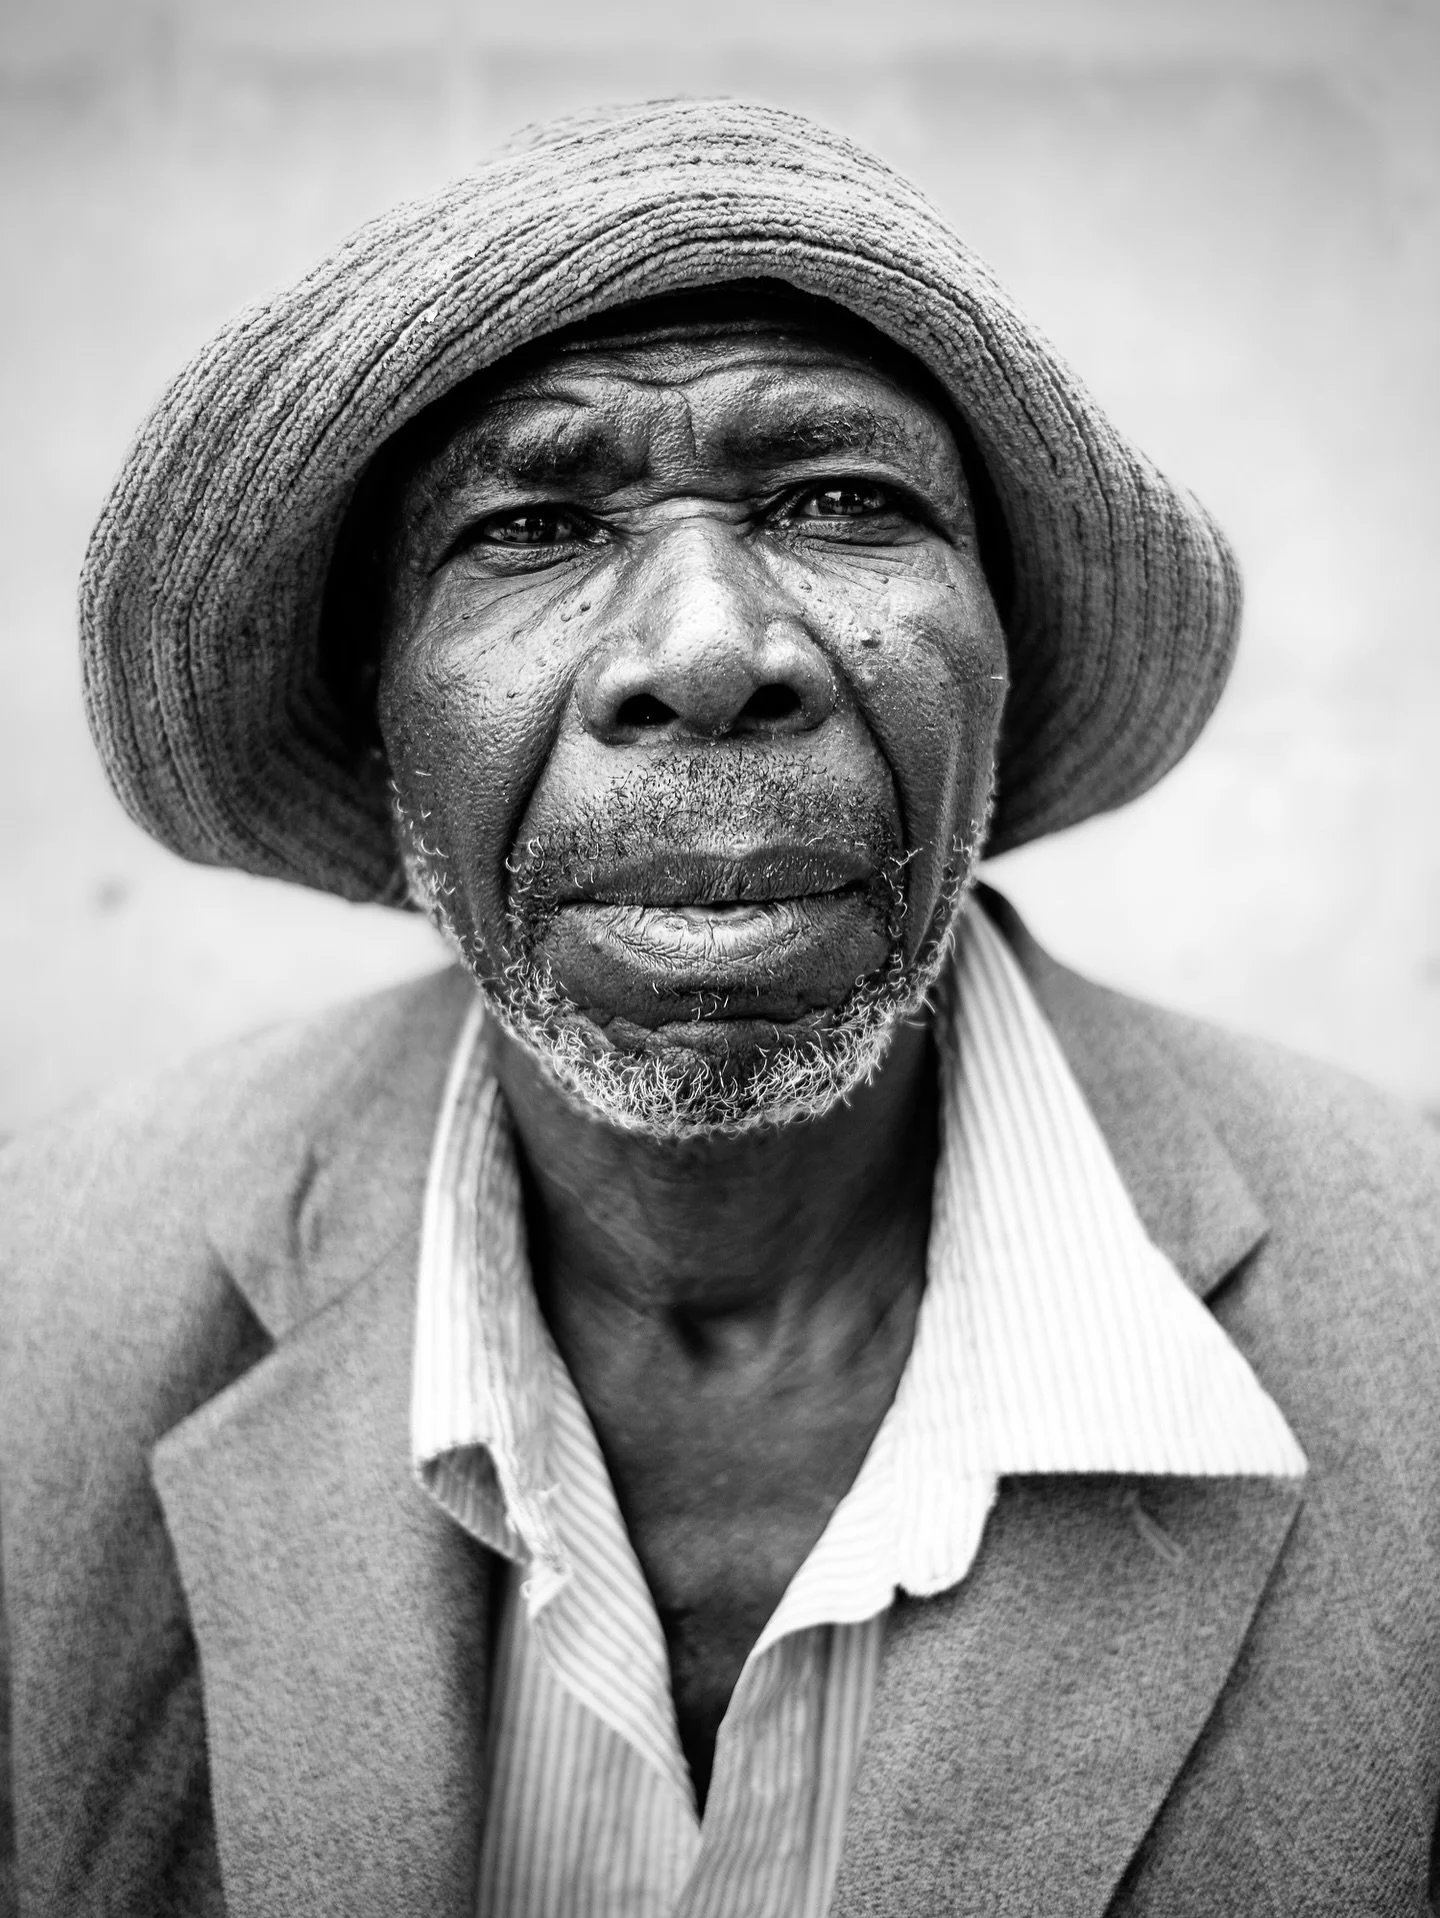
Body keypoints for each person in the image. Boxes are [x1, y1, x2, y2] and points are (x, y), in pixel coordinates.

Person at [2, 97, 1437, 1918]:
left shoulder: (1414, 1311)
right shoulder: (37, 1311)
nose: (702, 653)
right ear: (383, 720)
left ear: (996, 665)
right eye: (532, 524)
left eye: (842, 501)